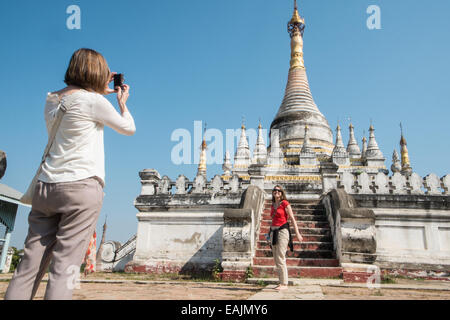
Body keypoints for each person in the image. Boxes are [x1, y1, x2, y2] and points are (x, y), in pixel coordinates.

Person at [5, 48, 136, 300]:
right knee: (64, 269)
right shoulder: (94, 102)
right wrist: (121, 102)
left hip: (45, 186)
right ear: (98, 73)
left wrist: (97, 89)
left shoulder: (52, 99)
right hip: (81, 188)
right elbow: (128, 128)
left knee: (29, 266)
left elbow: (75, 103)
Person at [269, 185, 303, 291]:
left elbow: (292, 218)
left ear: (282, 193)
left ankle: (284, 283)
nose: (276, 192)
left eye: (279, 190)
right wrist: (268, 233)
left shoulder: (285, 203)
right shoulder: (272, 204)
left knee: (280, 256)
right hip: (273, 232)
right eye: (275, 190)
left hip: (283, 231)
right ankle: (281, 282)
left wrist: (297, 233)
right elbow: (273, 220)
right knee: (276, 257)